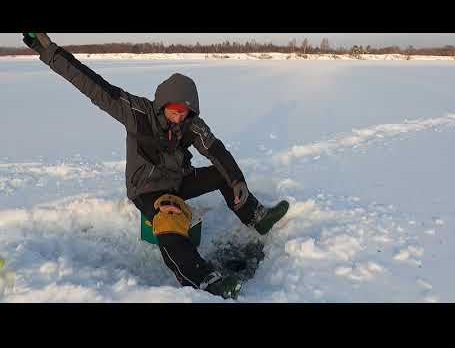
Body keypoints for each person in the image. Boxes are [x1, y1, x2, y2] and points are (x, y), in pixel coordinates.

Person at [22, 33, 289, 299]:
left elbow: (215, 149)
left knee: (224, 174)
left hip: (178, 179)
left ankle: (256, 216)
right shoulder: (136, 113)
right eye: (174, 110)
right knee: (169, 218)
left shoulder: (191, 124)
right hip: (147, 188)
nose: (179, 116)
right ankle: (202, 278)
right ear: (162, 105)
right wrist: (49, 51)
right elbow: (91, 83)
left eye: (184, 112)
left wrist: (237, 179)